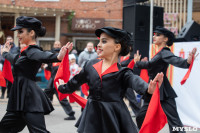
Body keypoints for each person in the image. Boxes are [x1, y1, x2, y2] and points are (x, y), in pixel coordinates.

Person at [56, 27, 164, 133]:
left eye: (104, 41)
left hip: (113, 114)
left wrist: (149, 89)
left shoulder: (123, 72)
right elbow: (75, 82)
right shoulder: (90, 65)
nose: (98, 45)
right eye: (99, 41)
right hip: (92, 114)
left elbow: (136, 81)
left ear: (117, 47)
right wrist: (62, 87)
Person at [0, 16, 71, 133]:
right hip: (19, 98)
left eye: (20, 31)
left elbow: (42, 55)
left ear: (31, 33)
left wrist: (57, 57)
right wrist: (5, 53)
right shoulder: (24, 52)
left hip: (29, 98)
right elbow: (15, 59)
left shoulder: (32, 51)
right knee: (3, 128)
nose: (17, 35)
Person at [134, 26, 197, 133]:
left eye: (158, 35)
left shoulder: (164, 52)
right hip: (152, 89)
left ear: (165, 39)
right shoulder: (158, 53)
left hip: (163, 91)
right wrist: (138, 63)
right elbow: (149, 65)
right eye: (154, 34)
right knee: (141, 117)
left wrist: (187, 61)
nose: (154, 36)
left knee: (174, 122)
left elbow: (175, 60)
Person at [44, 41, 76, 120]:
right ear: (54, 45)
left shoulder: (64, 56)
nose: (57, 46)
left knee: (61, 97)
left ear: (60, 46)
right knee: (46, 94)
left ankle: (71, 114)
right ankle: (47, 109)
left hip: (58, 80)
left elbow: (66, 68)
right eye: (56, 45)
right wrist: (45, 67)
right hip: (52, 80)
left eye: (58, 45)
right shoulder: (52, 56)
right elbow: (49, 67)